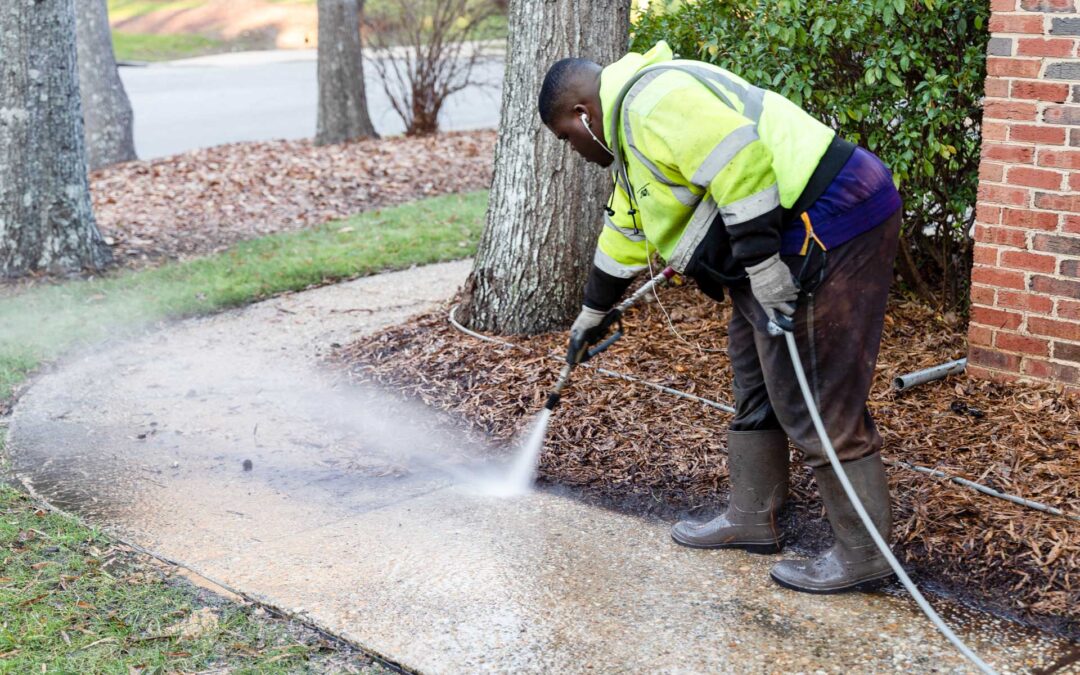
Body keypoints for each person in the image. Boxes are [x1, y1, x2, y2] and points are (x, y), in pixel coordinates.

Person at [538, 41, 904, 594]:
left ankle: (865, 553)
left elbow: (742, 160)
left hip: (829, 218)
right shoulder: (632, 139)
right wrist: (593, 312)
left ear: (582, 115)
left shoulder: (651, 102)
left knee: (812, 395)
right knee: (754, 373)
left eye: (565, 138)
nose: (572, 151)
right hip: (787, 235)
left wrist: (761, 264)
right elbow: (625, 235)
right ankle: (754, 516)